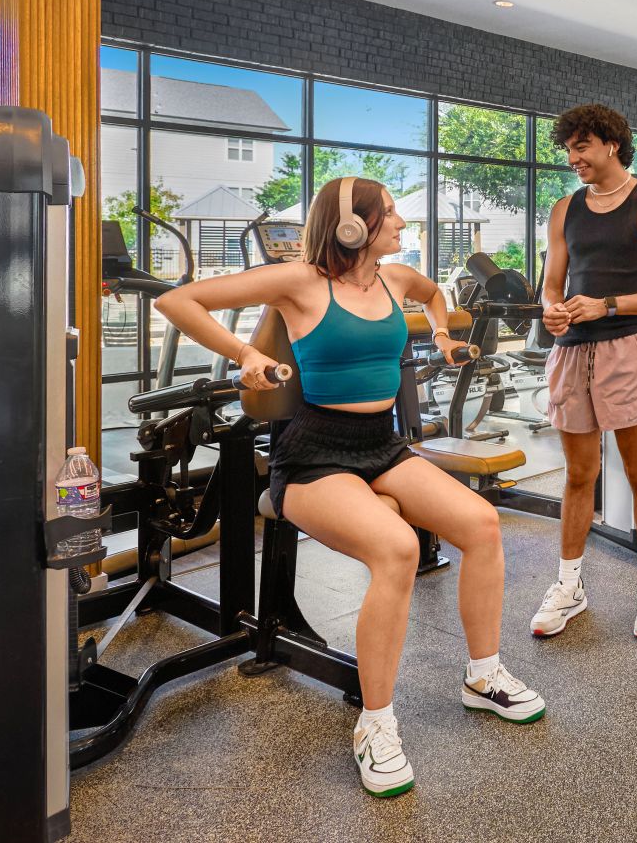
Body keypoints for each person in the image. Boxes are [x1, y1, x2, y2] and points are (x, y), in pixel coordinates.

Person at [154, 176, 544, 799]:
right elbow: (178, 302)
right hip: (311, 456)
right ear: (353, 226)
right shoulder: (300, 281)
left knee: (482, 525)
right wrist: (241, 355)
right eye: (390, 215)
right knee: (397, 548)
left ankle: (483, 674)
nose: (400, 224)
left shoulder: (394, 278)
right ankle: (376, 725)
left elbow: (436, 292)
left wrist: (441, 335)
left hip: (382, 446)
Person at [531, 104, 637, 641]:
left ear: (612, 145)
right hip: (573, 351)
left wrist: (609, 305)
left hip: (627, 345)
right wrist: (550, 308)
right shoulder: (564, 209)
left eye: (582, 147)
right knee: (578, 476)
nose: (573, 158)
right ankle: (570, 585)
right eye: (569, 149)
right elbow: (552, 282)